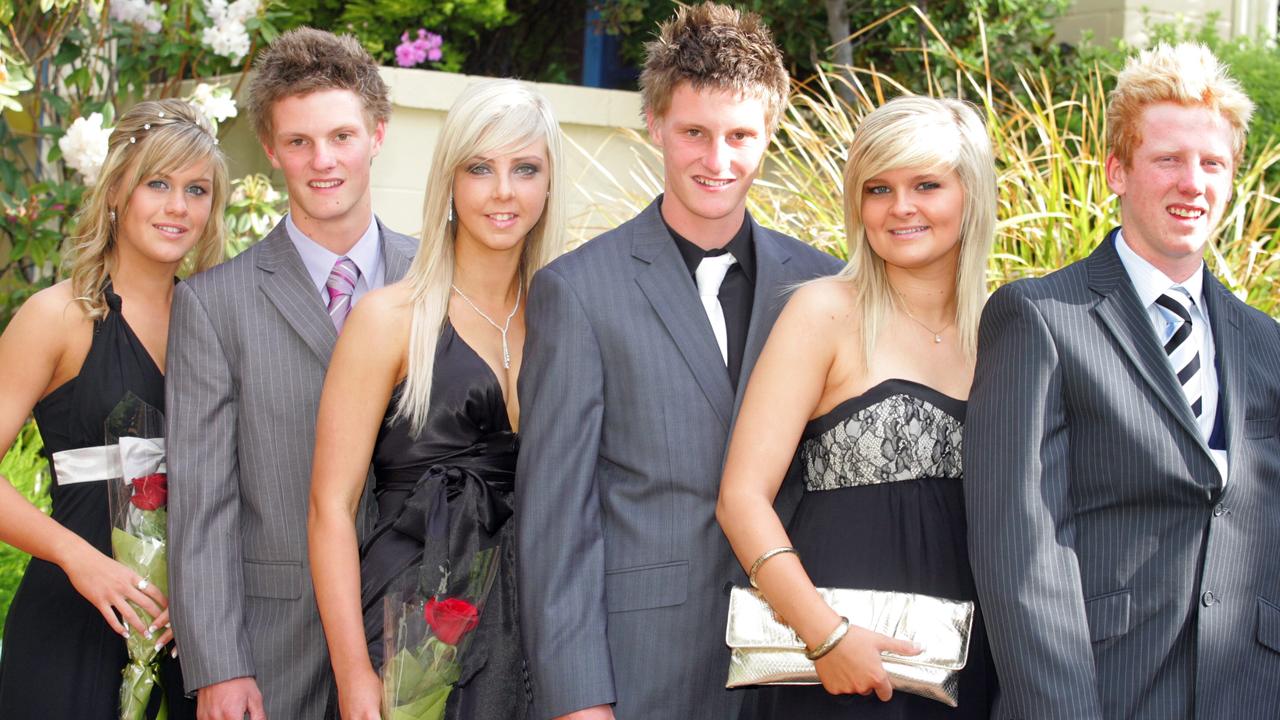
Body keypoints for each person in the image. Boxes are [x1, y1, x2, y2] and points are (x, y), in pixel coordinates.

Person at [515, 4, 842, 719]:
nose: (717, 161)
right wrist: (578, 701)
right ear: (656, 125)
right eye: (695, 133)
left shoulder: (825, 285)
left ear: (768, 136)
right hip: (642, 670)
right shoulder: (577, 292)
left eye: (739, 136)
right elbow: (555, 523)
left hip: (793, 672)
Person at [965, 42, 1280, 719]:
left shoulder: (1266, 343)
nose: (1192, 182)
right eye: (1168, 159)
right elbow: (1020, 549)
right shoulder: (1041, 319)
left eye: (1213, 163)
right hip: (1102, 693)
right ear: (1117, 171)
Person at [716, 95, 998, 718]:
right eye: (878, 188)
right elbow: (741, 497)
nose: (901, 207)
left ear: (970, 194)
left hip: (971, 663)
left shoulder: (1004, 329)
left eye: (926, 184)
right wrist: (827, 635)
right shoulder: (824, 312)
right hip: (835, 668)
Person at [165, 28, 416, 720]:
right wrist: (219, 666)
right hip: (272, 649)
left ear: (377, 134)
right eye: (299, 142)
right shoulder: (213, 306)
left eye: (341, 136)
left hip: (419, 633)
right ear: (272, 151)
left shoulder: (437, 280)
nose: (323, 160)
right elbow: (201, 507)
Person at [309, 78, 565, 720]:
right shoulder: (389, 318)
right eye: (480, 167)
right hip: (408, 632)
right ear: (449, 181)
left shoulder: (570, 324)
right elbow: (329, 508)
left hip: (534, 635)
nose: (503, 191)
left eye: (525, 168)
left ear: (548, 184)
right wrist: (353, 674)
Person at [0, 98, 225, 719]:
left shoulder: (220, 326)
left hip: (192, 642)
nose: (178, 206)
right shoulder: (59, 317)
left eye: (197, 189)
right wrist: (80, 560)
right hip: (71, 623)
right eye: (159, 184)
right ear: (118, 191)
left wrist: (205, 597)